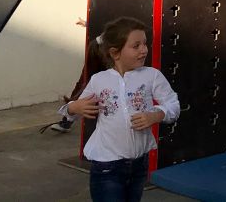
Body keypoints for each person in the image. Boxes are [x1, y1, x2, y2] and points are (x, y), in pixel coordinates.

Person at [60, 17, 180, 202]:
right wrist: (74, 107)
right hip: (107, 167)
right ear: (115, 53)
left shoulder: (152, 76)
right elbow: (71, 113)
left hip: (139, 165)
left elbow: (173, 104)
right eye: (136, 46)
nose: (144, 50)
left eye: (145, 44)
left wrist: (157, 114)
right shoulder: (99, 80)